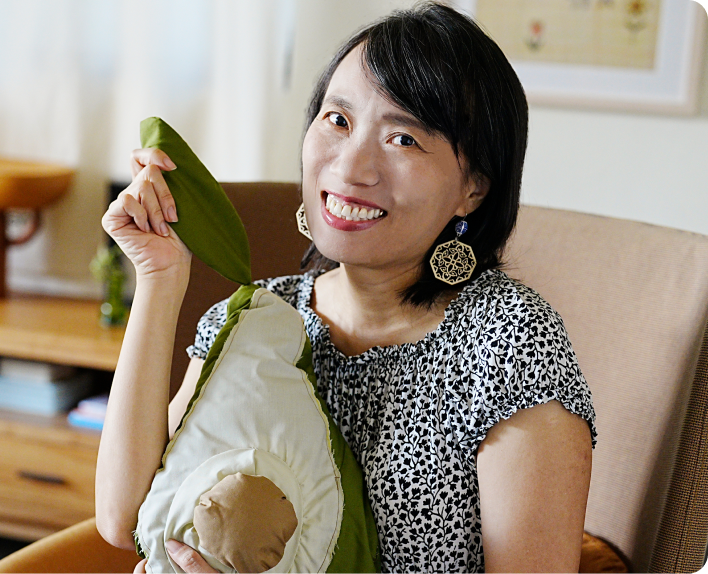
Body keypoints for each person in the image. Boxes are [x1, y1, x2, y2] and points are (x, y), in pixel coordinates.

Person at [96, 2, 596, 573]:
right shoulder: (258, 316)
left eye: (404, 139)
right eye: (338, 120)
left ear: (472, 190)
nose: (352, 166)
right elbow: (124, 517)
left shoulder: (511, 346)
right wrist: (160, 279)